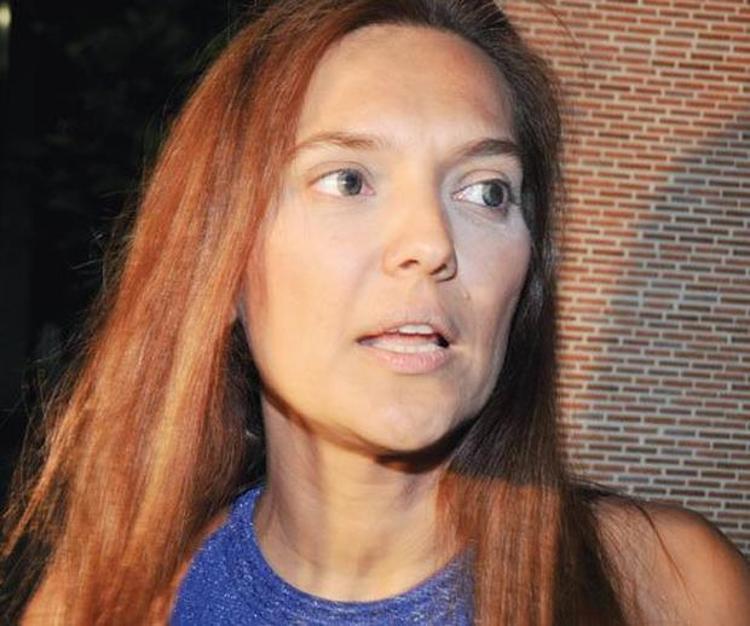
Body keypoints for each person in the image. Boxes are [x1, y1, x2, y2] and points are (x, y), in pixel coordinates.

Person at [3, 1, 750, 624]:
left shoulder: (668, 590)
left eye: (487, 191)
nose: (430, 243)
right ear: (222, 263)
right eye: (348, 180)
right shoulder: (100, 606)